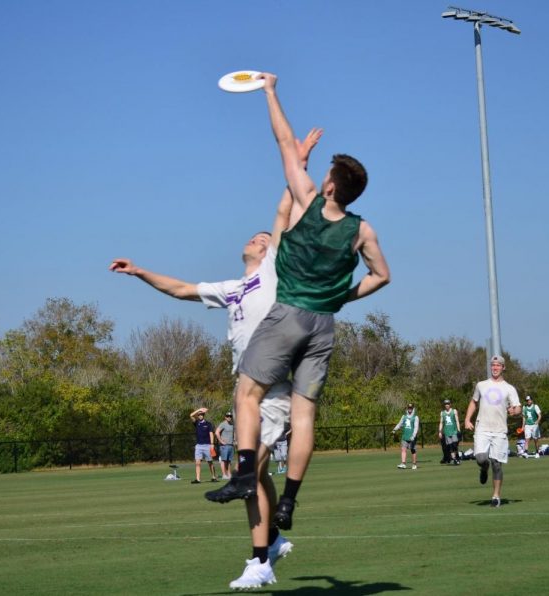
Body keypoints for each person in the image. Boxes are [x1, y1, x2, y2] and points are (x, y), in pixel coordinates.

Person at [110, 128, 323, 589]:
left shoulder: (274, 268)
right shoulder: (232, 287)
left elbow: (285, 209)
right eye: (255, 236)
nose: (256, 238)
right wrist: (141, 272)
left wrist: (299, 164)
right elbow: (183, 289)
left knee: (252, 472)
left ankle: (258, 562)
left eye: (262, 237)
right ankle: (274, 542)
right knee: (255, 472)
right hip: (248, 387)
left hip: (273, 389)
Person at [206, 71, 391, 537]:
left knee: (246, 393)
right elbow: (382, 276)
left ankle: (245, 475)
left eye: (325, 174)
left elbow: (284, 140)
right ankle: (288, 502)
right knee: (303, 413)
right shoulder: (362, 230)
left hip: (288, 313)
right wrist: (342, 296)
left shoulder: (307, 202)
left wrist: (270, 90)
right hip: (323, 325)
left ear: (329, 187)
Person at [464, 355, 521, 508]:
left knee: (497, 464)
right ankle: (483, 468)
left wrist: (514, 411)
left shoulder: (509, 388)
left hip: (500, 430)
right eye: (493, 365)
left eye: (498, 365)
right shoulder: (481, 385)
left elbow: (518, 407)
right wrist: (467, 419)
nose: (495, 368)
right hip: (482, 428)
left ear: (503, 367)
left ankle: (496, 496)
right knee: (481, 459)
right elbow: (473, 402)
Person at [188, 407, 218, 483]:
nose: (200, 416)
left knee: (210, 462)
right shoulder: (197, 423)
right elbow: (191, 415)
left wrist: (212, 444)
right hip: (198, 446)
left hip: (207, 445)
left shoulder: (208, 424)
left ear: (203, 415)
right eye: (199, 415)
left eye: (201, 414)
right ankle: (198, 479)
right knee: (197, 462)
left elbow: (211, 434)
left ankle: (214, 477)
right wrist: (199, 409)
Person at [392, 403, 420, 470]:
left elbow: (416, 427)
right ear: (407, 409)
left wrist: (413, 435)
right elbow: (400, 424)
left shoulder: (415, 417)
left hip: (412, 436)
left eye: (411, 408)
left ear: (413, 409)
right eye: (409, 408)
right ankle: (403, 463)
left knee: (413, 450)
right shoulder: (404, 416)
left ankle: (414, 464)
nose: (410, 409)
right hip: (405, 436)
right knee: (403, 449)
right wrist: (394, 429)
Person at [438, 399, 462, 465]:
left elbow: (457, 421)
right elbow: (441, 422)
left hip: (454, 431)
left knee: (455, 445)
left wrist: (459, 430)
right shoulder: (442, 413)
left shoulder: (454, 411)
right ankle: (454, 459)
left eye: (448, 404)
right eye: (445, 404)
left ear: (450, 404)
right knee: (450, 446)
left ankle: (457, 457)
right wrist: (440, 431)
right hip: (447, 432)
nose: (447, 405)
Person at [216, 412, 236, 479]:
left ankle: (229, 474)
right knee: (224, 460)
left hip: (231, 445)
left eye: (230, 416)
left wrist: (234, 440)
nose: (229, 417)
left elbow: (234, 433)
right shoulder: (223, 424)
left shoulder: (232, 424)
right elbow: (217, 432)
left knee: (229, 461)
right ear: (225, 417)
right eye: (227, 416)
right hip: (224, 446)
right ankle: (224, 474)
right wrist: (221, 441)